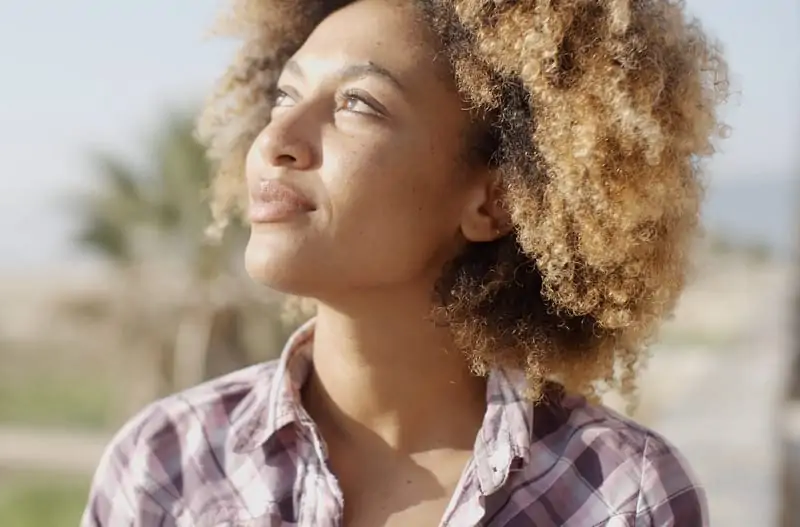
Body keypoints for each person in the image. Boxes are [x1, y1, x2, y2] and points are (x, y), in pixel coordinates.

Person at [82, 0, 728, 525]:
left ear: (495, 199)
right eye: (283, 97)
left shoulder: (617, 497)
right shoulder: (167, 462)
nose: (275, 142)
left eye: (357, 104)